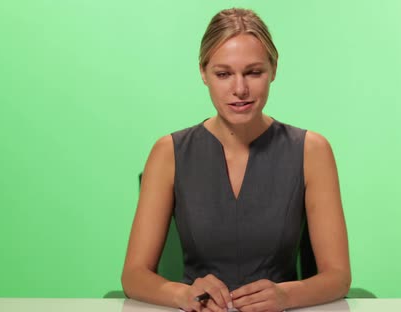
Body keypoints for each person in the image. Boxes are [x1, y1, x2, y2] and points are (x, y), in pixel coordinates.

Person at [121, 8, 350, 312]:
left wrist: (286, 296)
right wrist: (180, 294)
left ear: (274, 68)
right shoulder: (168, 152)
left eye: (253, 72)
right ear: (203, 73)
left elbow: (338, 277)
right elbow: (134, 276)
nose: (240, 89)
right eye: (223, 74)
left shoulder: (312, 150)